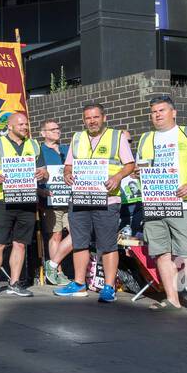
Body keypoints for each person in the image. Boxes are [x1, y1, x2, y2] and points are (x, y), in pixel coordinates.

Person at [137, 95, 187, 320]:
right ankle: (172, 299)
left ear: (174, 113)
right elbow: (142, 167)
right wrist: (138, 173)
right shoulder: (145, 139)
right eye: (153, 111)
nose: (157, 115)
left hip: (183, 203)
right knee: (161, 252)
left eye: (161, 110)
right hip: (155, 204)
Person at [55, 103, 135, 303]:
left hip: (107, 199)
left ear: (104, 118)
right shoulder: (77, 137)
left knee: (107, 245)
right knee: (79, 242)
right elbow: (68, 165)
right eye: (88, 118)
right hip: (80, 198)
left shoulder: (117, 137)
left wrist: (117, 177)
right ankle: (79, 284)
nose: (92, 121)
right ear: (84, 120)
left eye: (95, 117)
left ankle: (108, 287)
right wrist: (67, 174)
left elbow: (130, 164)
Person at [0, 111, 48, 299]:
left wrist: (42, 174)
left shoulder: (34, 144)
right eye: (21, 124)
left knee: (20, 244)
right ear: (11, 126)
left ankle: (14, 283)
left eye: (26, 124)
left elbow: (45, 172)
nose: (25, 127)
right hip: (4, 200)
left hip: (27, 199)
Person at [38, 119, 73, 285]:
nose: (57, 131)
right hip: (50, 200)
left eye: (58, 128)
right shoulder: (39, 151)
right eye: (52, 129)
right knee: (56, 235)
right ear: (43, 133)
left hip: (71, 200)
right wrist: (40, 191)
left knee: (78, 233)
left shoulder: (67, 149)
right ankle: (57, 273)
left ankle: (51, 265)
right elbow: (33, 175)